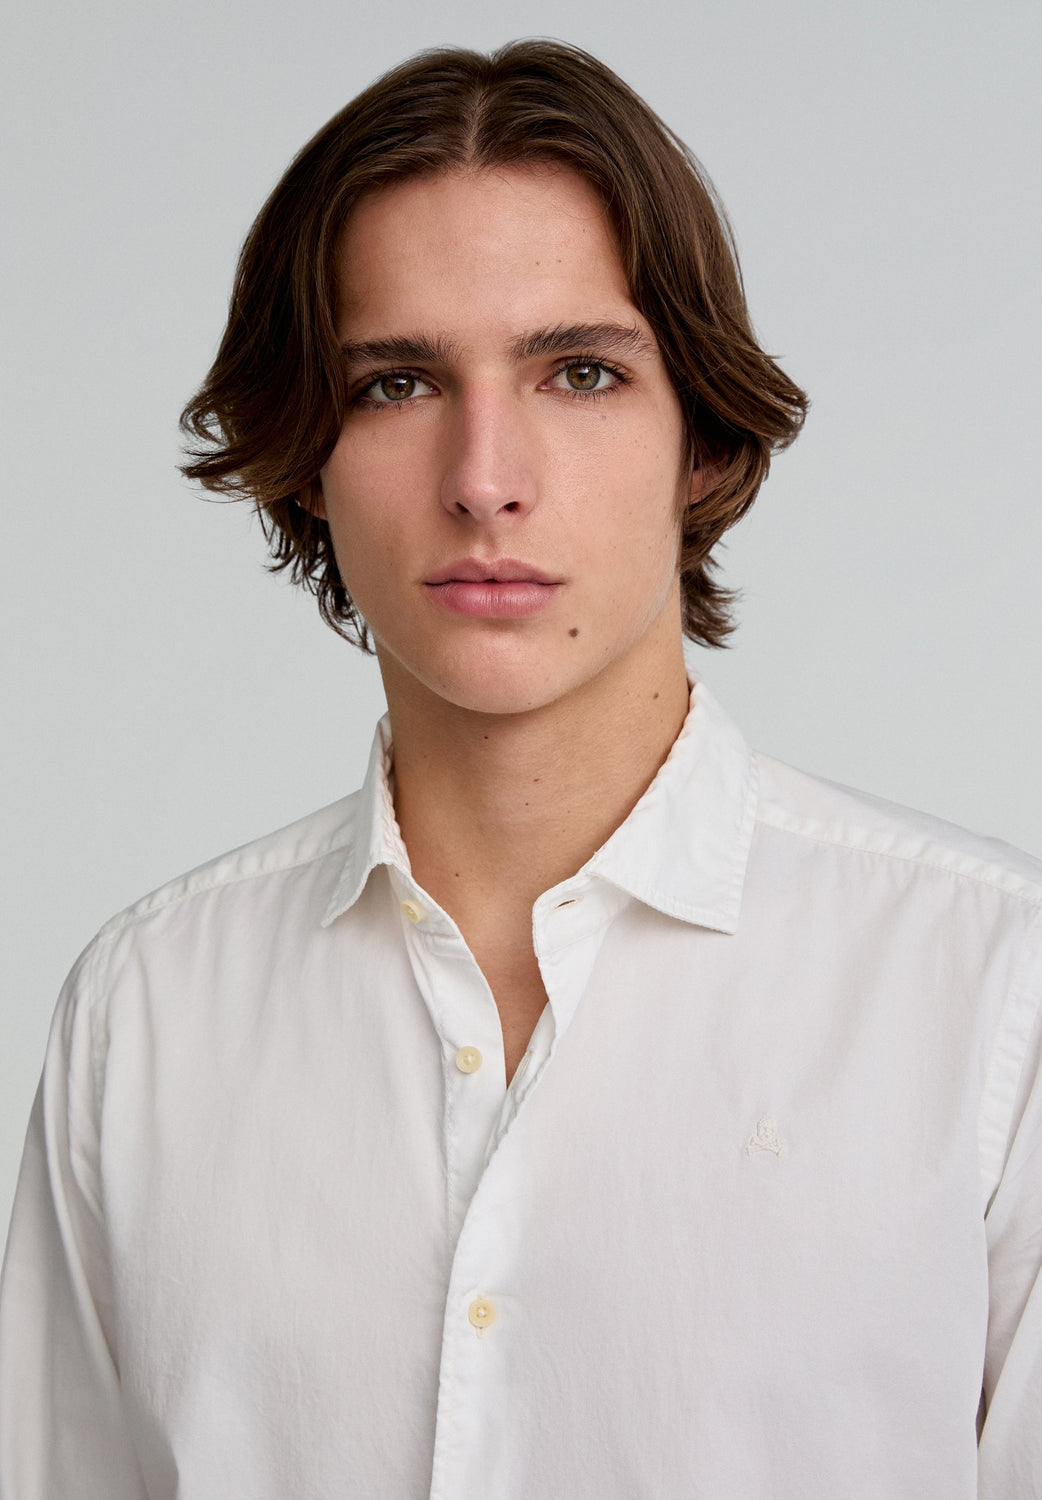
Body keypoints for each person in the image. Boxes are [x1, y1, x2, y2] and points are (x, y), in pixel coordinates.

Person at [0, 37, 1039, 1499]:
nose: (485, 478)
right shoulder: (148, 1014)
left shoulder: (990, 998)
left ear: (700, 438)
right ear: (306, 454)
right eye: (397, 383)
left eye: (580, 372)